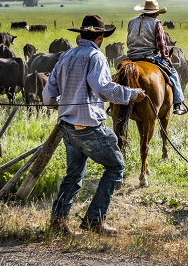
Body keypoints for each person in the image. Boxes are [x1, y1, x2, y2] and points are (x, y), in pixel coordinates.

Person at [43, 14, 146, 236]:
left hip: (67, 126)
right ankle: (94, 219)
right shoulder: (95, 57)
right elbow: (102, 88)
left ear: (81, 34)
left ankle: (58, 221)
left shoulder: (65, 56)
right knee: (115, 166)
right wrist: (132, 94)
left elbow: (48, 96)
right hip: (87, 126)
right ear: (100, 36)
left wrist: (64, 103)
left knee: (73, 174)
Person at [126, 0, 188, 115]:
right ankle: (178, 104)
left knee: (119, 74)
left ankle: (113, 106)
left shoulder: (131, 22)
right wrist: (167, 59)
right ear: (155, 13)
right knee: (173, 73)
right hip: (150, 56)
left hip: (132, 56)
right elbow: (162, 45)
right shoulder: (156, 23)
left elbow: (128, 41)